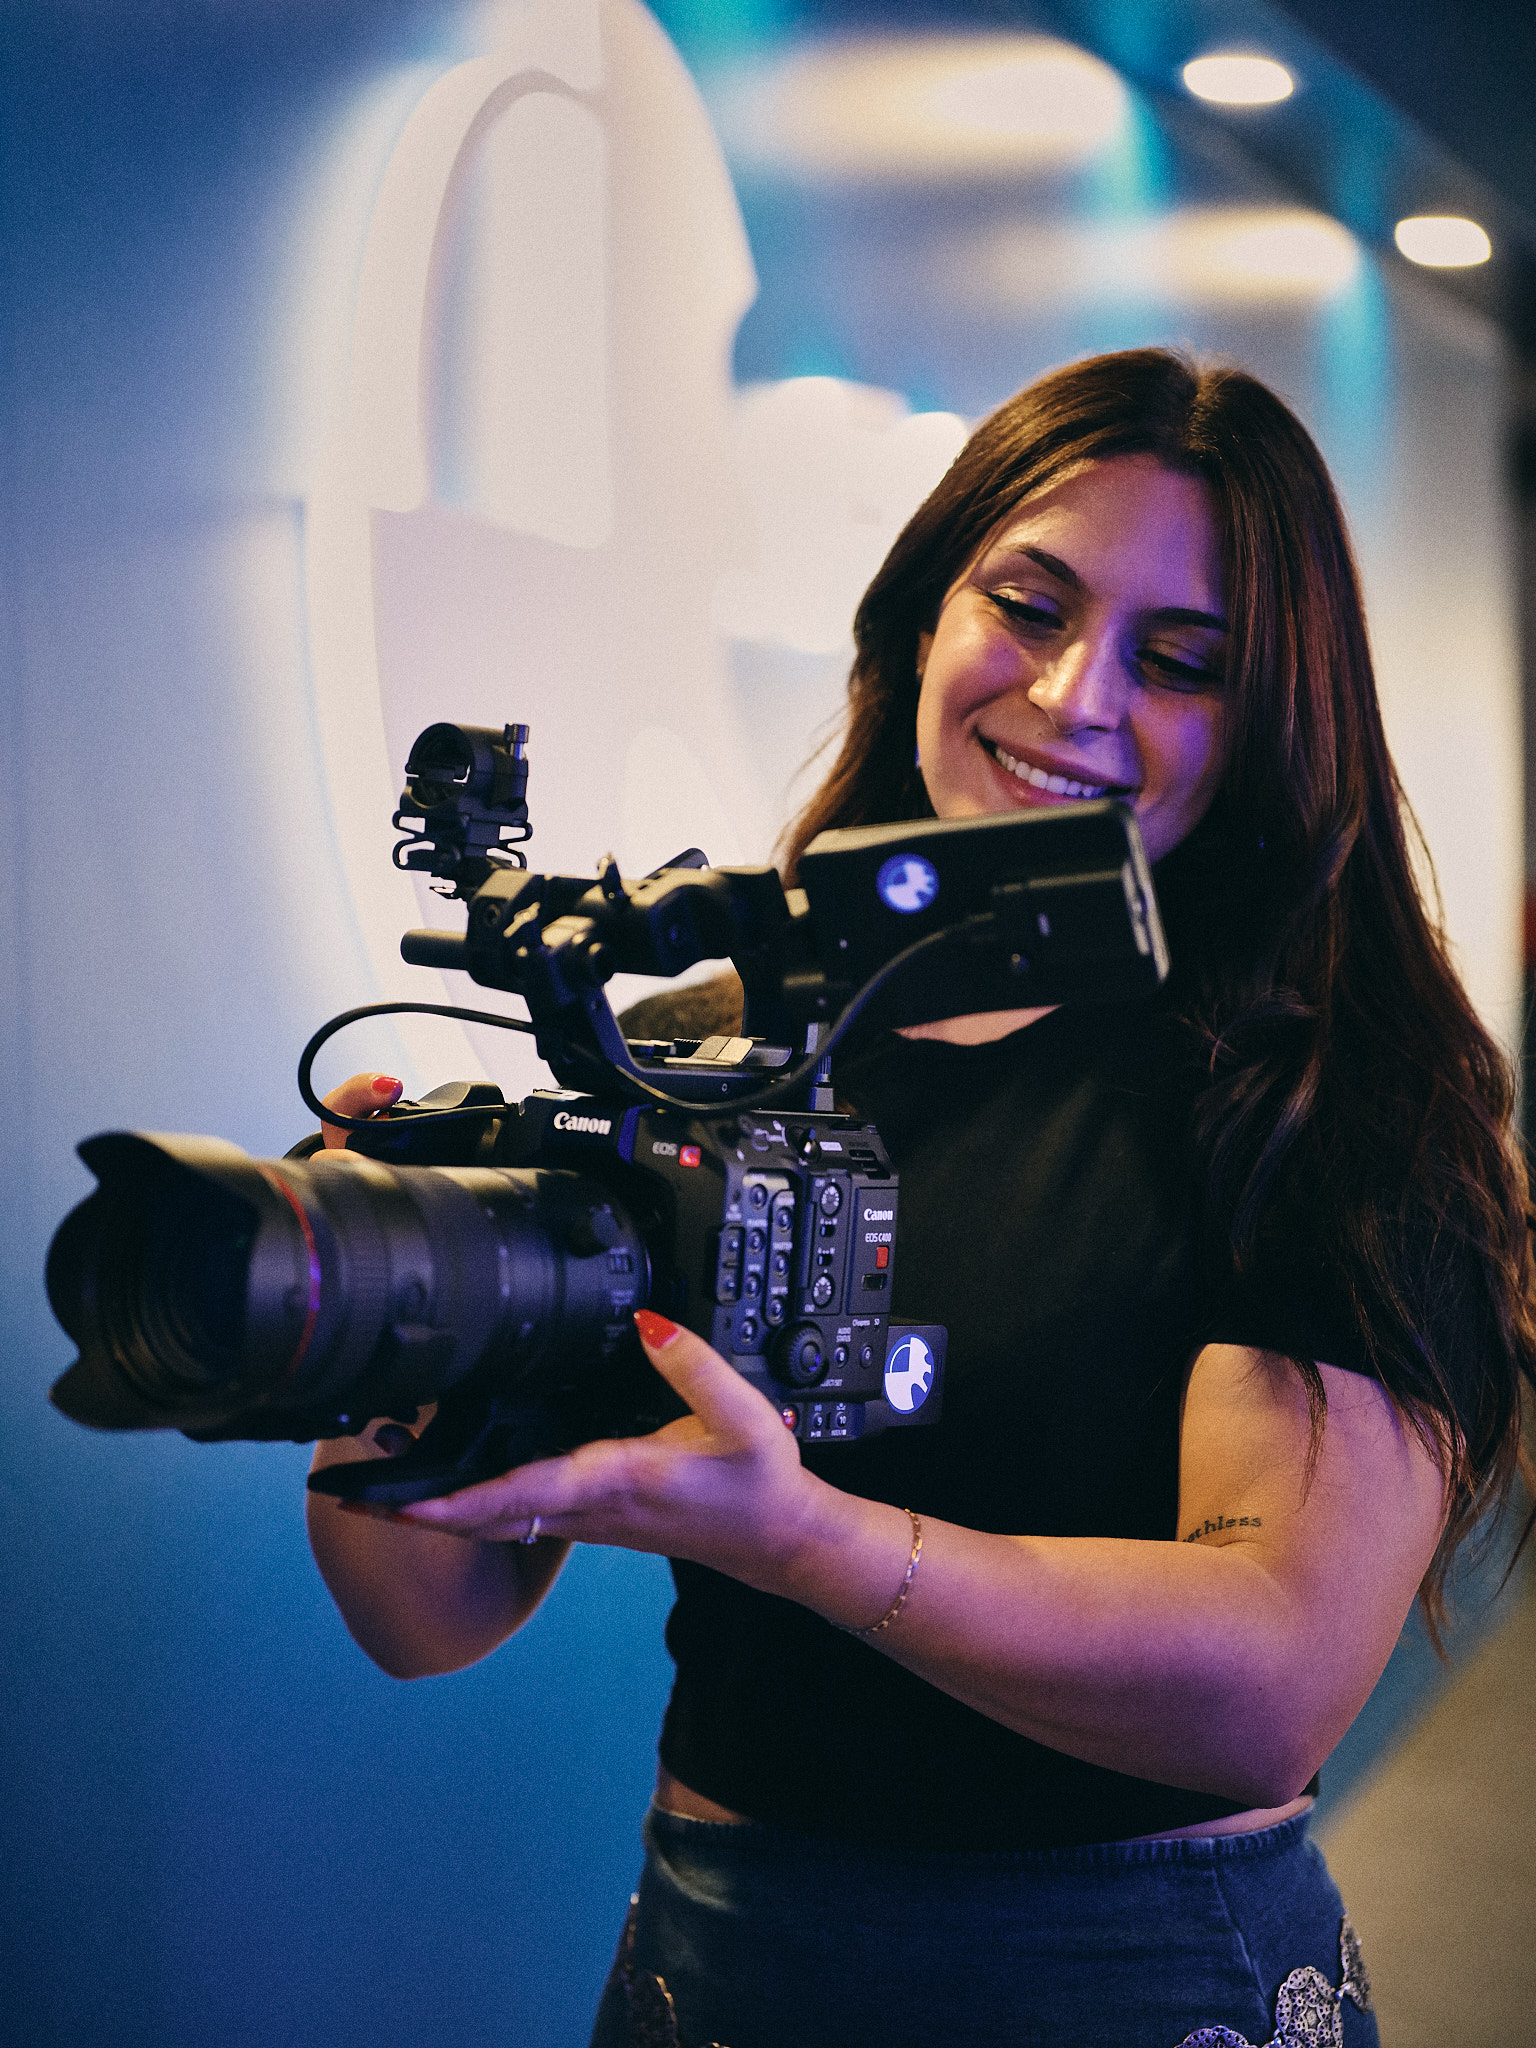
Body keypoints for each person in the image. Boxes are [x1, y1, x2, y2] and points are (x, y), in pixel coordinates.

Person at [306, 350, 1535, 2048]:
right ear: (924, 615)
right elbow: (423, 1617)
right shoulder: (708, 1052)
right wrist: (370, 1319)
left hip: (1129, 1982)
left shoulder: (1332, 1099)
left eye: (1182, 663)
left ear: (1271, 723)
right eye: (1028, 607)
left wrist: (804, 1540)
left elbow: (1266, 1682)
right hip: (714, 1964)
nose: (1075, 695)